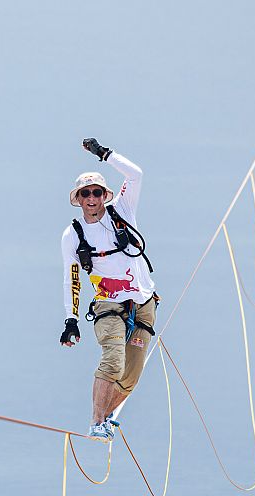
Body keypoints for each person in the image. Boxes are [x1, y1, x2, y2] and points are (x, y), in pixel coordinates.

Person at [59, 138, 159, 441]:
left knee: (130, 376)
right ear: (78, 199)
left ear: (105, 195)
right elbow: (71, 278)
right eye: (85, 193)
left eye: (97, 192)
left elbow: (136, 175)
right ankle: (96, 421)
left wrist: (104, 154)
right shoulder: (73, 235)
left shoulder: (123, 210)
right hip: (109, 305)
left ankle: (105, 417)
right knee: (113, 360)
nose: (92, 198)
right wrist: (70, 320)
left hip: (143, 302)